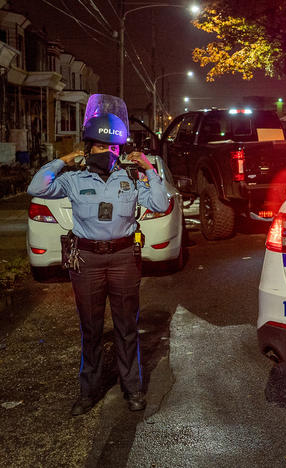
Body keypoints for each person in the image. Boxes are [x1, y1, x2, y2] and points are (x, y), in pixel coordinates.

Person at [27, 94, 169, 416]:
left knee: (126, 328)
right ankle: (88, 393)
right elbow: (36, 186)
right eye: (101, 147)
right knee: (90, 330)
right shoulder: (75, 179)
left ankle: (132, 389)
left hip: (123, 260)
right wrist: (65, 159)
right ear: (89, 147)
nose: (108, 153)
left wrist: (148, 167)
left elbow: (160, 204)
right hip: (87, 262)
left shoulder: (132, 178)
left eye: (113, 148)